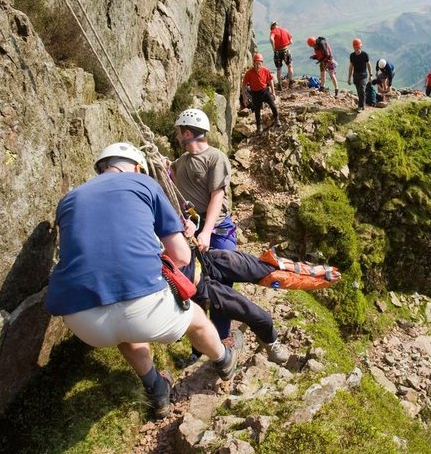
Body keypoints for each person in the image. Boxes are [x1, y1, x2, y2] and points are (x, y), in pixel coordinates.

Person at [45, 142, 242, 419]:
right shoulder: (143, 184)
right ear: (137, 167)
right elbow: (182, 256)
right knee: (195, 319)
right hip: (143, 307)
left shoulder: (68, 199)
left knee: (126, 333)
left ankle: (157, 390)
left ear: (102, 168)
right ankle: (224, 359)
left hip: (82, 320)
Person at [171, 109, 238, 345]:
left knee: (222, 283)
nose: (177, 137)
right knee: (193, 285)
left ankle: (222, 337)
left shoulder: (215, 157)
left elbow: (217, 196)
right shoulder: (181, 163)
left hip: (217, 227)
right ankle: (201, 343)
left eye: (179, 133)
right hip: (193, 228)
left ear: (187, 133)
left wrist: (207, 231)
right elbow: (169, 174)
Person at [241, 53, 280, 135]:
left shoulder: (265, 70)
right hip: (255, 94)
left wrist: (273, 92)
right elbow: (244, 84)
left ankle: (277, 119)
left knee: (273, 105)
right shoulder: (249, 73)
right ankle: (259, 127)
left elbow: (270, 80)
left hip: (265, 91)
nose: (258, 65)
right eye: (257, 63)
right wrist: (244, 97)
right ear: (253, 63)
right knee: (257, 111)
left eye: (260, 63)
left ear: (262, 63)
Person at [347, 38, 373, 113]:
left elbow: (368, 64)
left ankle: (360, 106)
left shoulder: (365, 55)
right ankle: (363, 105)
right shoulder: (352, 56)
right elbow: (351, 66)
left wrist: (371, 75)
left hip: (363, 75)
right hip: (355, 76)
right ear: (353, 47)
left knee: (362, 90)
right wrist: (349, 78)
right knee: (359, 91)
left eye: (358, 47)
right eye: (355, 47)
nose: (357, 49)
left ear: (361, 47)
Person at [269, 21, 294, 88]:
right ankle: (291, 82)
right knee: (289, 66)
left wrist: (273, 47)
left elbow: (271, 38)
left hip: (277, 52)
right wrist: (285, 45)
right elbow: (291, 41)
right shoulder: (285, 30)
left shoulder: (273, 31)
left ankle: (279, 85)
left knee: (279, 69)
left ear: (272, 27)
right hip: (286, 50)